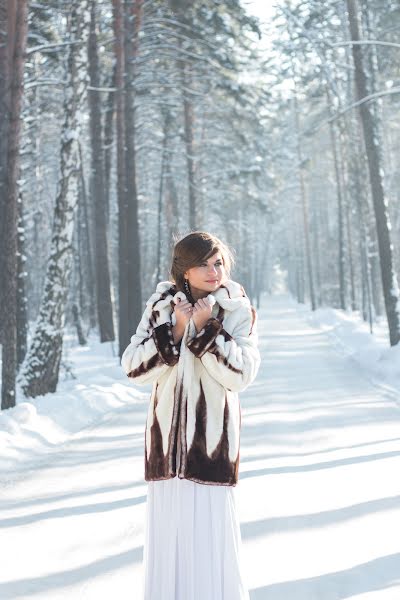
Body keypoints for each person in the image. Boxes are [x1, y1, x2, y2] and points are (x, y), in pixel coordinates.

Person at [121, 231, 261, 600]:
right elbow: (133, 368)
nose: (214, 271)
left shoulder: (236, 308)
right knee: (170, 544)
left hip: (211, 448)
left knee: (211, 542)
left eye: (218, 262)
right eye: (203, 263)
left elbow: (242, 373)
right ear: (184, 270)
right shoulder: (161, 308)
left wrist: (205, 333)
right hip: (166, 452)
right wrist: (176, 331)